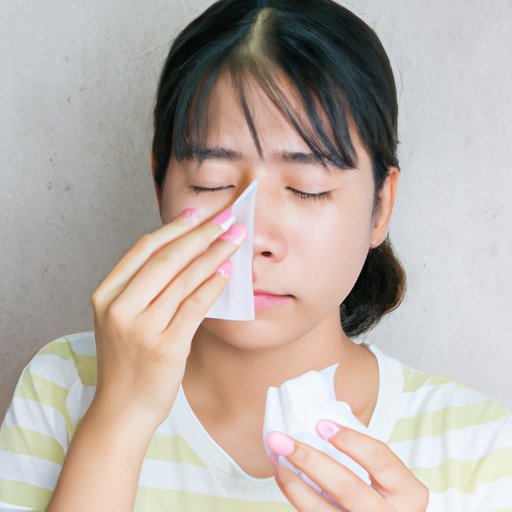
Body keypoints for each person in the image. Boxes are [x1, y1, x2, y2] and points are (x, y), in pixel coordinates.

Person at [1, 0, 511, 510]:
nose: (254, 237)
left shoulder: (480, 453)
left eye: (308, 188)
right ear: (160, 184)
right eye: (212, 182)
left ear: (381, 206)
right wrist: (120, 414)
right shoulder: (65, 386)